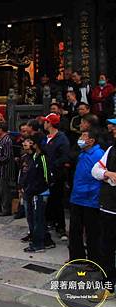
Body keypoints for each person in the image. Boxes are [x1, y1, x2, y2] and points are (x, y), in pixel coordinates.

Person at [90, 118, 116, 301]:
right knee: (106, 249)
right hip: (109, 208)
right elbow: (95, 170)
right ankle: (109, 286)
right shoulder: (111, 150)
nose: (113, 131)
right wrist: (107, 174)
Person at [69, 129, 104, 262]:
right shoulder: (82, 153)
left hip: (90, 199)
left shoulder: (98, 154)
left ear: (91, 140)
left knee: (92, 232)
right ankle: (76, 257)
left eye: (84, 136)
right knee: (74, 230)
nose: (81, 138)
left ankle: (94, 260)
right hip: (77, 197)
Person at [41, 112, 70, 241]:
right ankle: (49, 222)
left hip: (56, 175)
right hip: (44, 174)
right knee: (48, 201)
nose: (44, 124)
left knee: (57, 200)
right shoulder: (45, 137)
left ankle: (61, 227)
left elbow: (64, 157)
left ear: (50, 123)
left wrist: (52, 167)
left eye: (46, 121)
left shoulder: (61, 138)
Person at [23, 132, 52, 253]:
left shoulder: (43, 157)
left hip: (40, 193)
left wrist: (37, 189)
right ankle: (46, 240)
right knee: (36, 218)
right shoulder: (34, 156)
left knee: (38, 219)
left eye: (31, 142)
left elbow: (46, 177)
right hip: (33, 191)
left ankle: (38, 244)